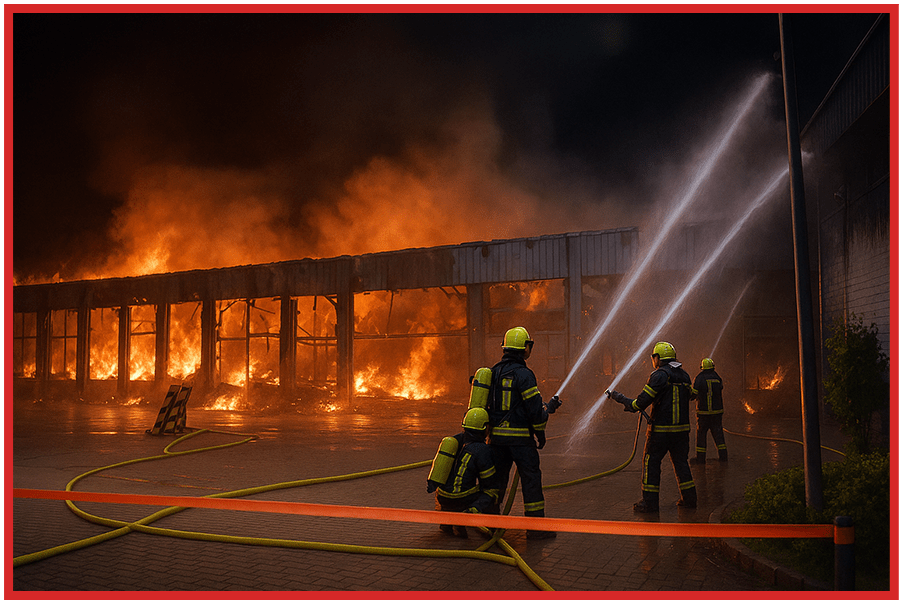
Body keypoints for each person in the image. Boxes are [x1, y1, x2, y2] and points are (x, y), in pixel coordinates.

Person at [486, 326, 562, 540]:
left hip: (496, 441)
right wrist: (541, 432)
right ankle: (535, 528)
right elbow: (535, 412)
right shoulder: (524, 374)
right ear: (524, 348)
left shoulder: (493, 372)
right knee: (531, 481)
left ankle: (489, 524)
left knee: (496, 482)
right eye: (529, 344)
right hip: (521, 442)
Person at [607, 341, 697, 513]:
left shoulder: (659, 376)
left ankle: (649, 503)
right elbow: (691, 395)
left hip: (661, 432)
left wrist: (619, 397)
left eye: (653, 357)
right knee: (681, 463)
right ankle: (690, 499)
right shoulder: (685, 376)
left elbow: (639, 404)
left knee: (651, 463)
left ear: (658, 358)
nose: (653, 360)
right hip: (682, 432)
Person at [427, 407, 500, 538]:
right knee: (492, 492)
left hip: (442, 498)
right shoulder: (482, 450)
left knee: (453, 487)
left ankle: (446, 522)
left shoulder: (454, 441)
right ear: (484, 428)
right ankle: (471, 515)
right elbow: (489, 482)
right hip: (461, 500)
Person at [690, 357, 728, 463]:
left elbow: (694, 394)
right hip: (717, 413)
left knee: (701, 435)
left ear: (702, 367)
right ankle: (723, 457)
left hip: (703, 413)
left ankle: (700, 459)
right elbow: (720, 388)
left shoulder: (699, 378)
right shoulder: (717, 377)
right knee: (718, 435)